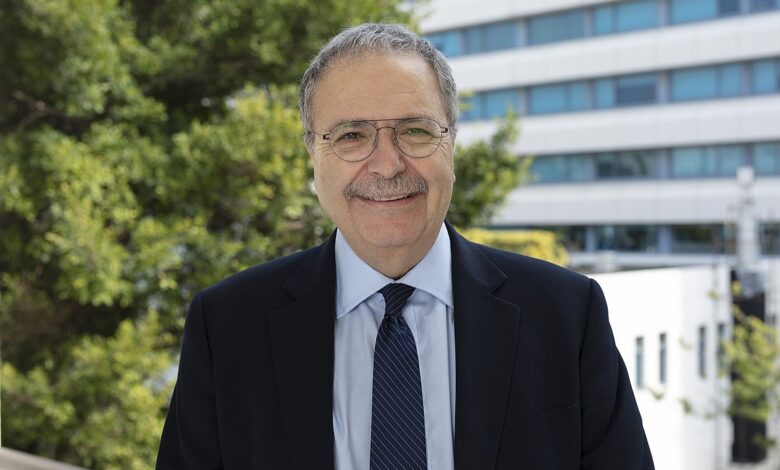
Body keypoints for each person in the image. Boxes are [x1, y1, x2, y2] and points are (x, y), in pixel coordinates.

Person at [156, 23, 654, 470]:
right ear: (312, 152)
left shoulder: (567, 315)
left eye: (414, 130)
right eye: (351, 135)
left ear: (451, 141)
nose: (388, 164)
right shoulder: (227, 327)